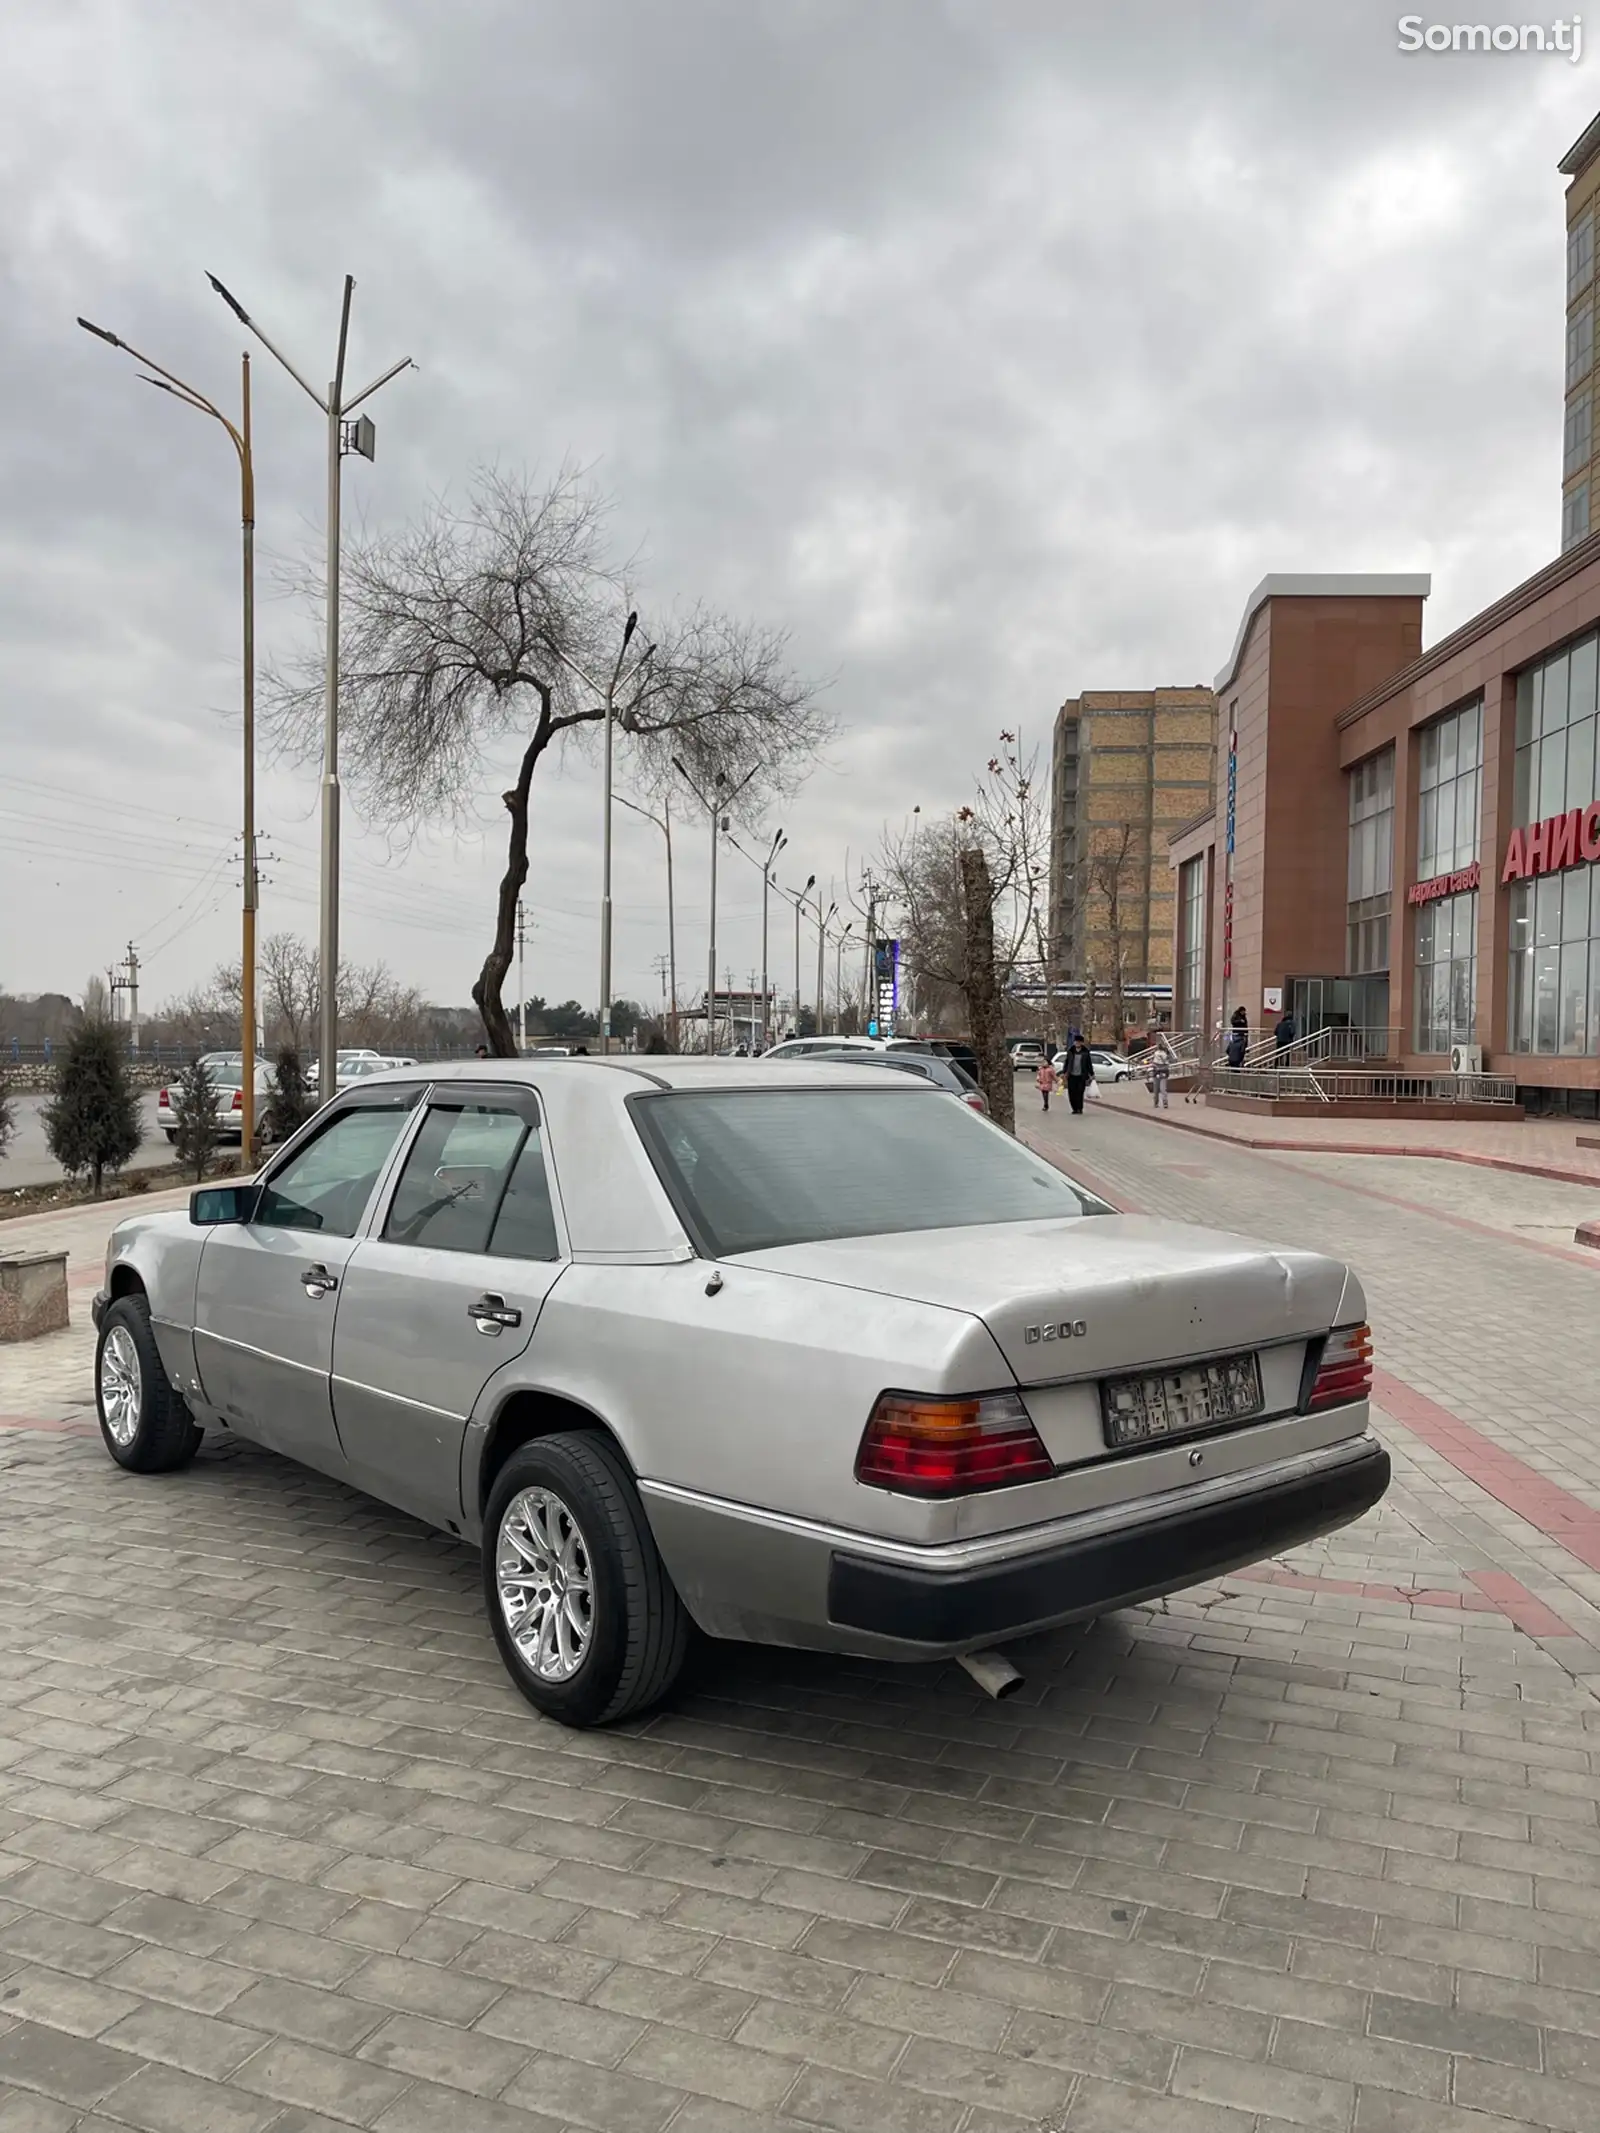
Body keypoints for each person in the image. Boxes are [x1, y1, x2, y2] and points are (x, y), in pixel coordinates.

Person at [1062, 1035, 1094, 1115]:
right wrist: (1065, 1071)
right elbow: (1067, 1062)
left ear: (1082, 1043)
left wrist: (1091, 1073)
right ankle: (1074, 1108)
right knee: (1072, 1093)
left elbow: (1089, 1064)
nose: (1077, 1043)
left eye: (1079, 1042)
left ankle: (1080, 1108)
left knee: (1080, 1093)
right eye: (1076, 1042)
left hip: (1081, 1076)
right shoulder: (1071, 1051)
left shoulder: (1085, 1052)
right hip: (1071, 1075)